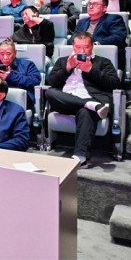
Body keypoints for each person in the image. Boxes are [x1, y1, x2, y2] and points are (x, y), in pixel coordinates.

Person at [46, 32, 121, 166]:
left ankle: (80, 156)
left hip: (90, 99)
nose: (82, 50)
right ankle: (91, 104)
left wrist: (91, 70)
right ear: (73, 46)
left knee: (85, 111)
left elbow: (114, 83)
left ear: (92, 46)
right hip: (65, 101)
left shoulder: (103, 62)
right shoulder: (63, 61)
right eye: (78, 47)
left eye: (86, 47)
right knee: (50, 92)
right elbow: (51, 81)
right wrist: (67, 68)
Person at [72, 0, 128, 70]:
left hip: (104, 56)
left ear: (104, 8)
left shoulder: (114, 19)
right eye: (89, 4)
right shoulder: (82, 22)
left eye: (95, 4)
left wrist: (97, 43)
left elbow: (118, 37)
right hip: (82, 57)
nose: (90, 7)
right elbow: (73, 38)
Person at [0, 40, 41, 110]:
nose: (5, 57)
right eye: (2, 54)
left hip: (22, 97)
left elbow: (35, 80)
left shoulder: (27, 65)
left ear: (15, 53)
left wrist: (10, 76)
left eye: (8, 54)